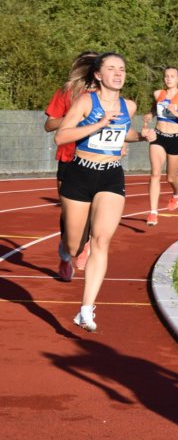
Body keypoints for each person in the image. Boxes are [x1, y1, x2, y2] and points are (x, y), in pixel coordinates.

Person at [54, 52, 156, 332]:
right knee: (75, 246)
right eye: (111, 68)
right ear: (98, 75)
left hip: (111, 175)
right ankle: (65, 249)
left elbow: (123, 134)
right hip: (80, 174)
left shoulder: (128, 106)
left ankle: (86, 310)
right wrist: (98, 123)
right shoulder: (86, 101)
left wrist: (141, 136)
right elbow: (61, 136)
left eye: (122, 68)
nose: (118, 73)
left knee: (101, 240)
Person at [43, 51, 99, 280]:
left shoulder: (105, 94)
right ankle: (65, 256)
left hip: (95, 159)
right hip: (68, 158)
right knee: (69, 214)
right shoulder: (66, 92)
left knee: (94, 211)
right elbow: (49, 125)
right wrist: (73, 117)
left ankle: (86, 244)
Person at [142, 67, 178, 226]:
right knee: (155, 173)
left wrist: (177, 113)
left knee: (171, 177)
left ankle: (177, 192)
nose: (169, 79)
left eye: (172, 76)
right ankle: (153, 212)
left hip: (175, 139)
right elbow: (155, 109)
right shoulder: (158, 93)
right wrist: (150, 116)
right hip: (158, 136)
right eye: (166, 76)